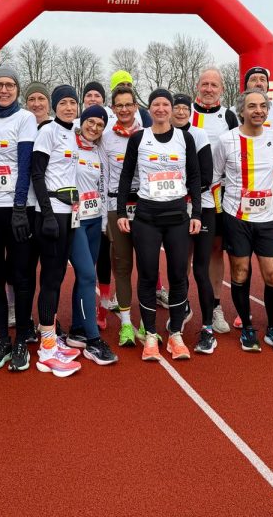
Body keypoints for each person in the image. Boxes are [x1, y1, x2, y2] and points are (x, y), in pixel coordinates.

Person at [116, 88, 202, 361]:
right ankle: (150, 334)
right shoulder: (139, 138)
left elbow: (195, 177)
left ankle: (175, 333)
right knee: (148, 276)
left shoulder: (184, 138)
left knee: (178, 275)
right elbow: (126, 175)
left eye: (166, 104)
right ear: (149, 109)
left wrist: (197, 213)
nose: (162, 109)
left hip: (177, 216)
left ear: (172, 108)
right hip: (146, 217)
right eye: (156, 104)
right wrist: (120, 211)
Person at [214, 89, 273, 353]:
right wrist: (216, 215)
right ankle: (246, 326)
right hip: (236, 216)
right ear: (241, 111)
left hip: (267, 218)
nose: (258, 110)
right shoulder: (226, 140)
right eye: (252, 106)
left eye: (263, 106)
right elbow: (215, 177)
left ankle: (272, 328)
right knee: (240, 271)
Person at [0, 67, 38, 371]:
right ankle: (3, 337)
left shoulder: (25, 118)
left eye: (9, 85)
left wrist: (18, 206)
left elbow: (25, 163)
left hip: (17, 209)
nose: (4, 90)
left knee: (21, 275)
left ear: (17, 89)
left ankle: (21, 340)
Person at [30, 85, 87, 376]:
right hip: (50, 214)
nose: (68, 107)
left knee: (59, 276)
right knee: (51, 279)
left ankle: (50, 334)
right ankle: (47, 348)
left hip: (70, 213)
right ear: (54, 106)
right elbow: (37, 174)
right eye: (62, 103)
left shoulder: (73, 133)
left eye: (72, 103)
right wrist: (48, 213)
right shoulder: (48, 131)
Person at [63, 104, 118, 365]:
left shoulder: (99, 151)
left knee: (86, 276)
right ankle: (93, 340)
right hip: (75, 220)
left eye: (100, 124)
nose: (94, 128)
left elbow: (103, 186)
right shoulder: (69, 146)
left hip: (95, 218)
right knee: (86, 274)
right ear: (81, 121)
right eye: (90, 122)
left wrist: (106, 221)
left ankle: (77, 329)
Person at [190, 68, 237, 333]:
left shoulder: (228, 116)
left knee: (216, 251)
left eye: (214, 85)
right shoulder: (185, 112)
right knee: (183, 251)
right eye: (205, 84)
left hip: (217, 196)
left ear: (221, 89)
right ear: (197, 86)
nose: (209, 89)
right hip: (185, 195)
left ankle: (216, 306)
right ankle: (182, 302)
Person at [172, 93, 215, 352]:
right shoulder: (160, 135)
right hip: (175, 210)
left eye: (182, 108)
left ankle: (208, 327)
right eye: (175, 107)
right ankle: (182, 309)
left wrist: (186, 192)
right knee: (178, 267)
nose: (178, 112)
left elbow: (206, 175)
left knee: (200, 269)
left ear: (189, 111)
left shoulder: (198, 135)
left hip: (203, 207)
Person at [101, 84, 142, 348]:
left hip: (147, 207)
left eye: (129, 104)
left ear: (136, 107)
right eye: (119, 105)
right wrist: (107, 215)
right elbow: (102, 176)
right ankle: (126, 324)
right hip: (118, 207)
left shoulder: (147, 133)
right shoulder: (106, 137)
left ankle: (147, 324)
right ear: (113, 109)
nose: (124, 109)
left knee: (148, 268)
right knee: (123, 265)